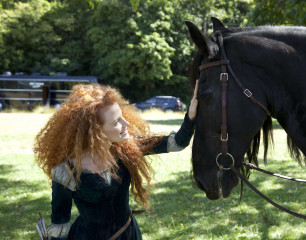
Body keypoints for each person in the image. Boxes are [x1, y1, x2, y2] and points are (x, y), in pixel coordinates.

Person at [34, 82, 198, 240]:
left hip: (128, 234)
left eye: (121, 116)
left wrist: (190, 116)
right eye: (116, 122)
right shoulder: (66, 171)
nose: (126, 123)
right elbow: (60, 222)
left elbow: (177, 142)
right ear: (96, 131)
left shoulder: (126, 148)